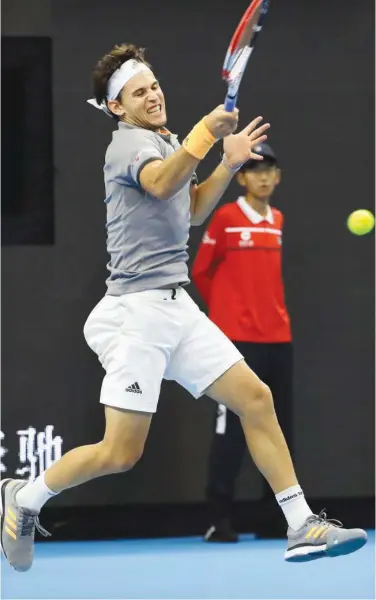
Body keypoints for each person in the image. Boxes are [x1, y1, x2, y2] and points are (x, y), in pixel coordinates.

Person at [0, 43, 367, 573]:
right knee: (120, 453)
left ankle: (300, 523)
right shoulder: (126, 146)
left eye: (154, 84)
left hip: (177, 307)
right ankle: (25, 497)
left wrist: (228, 162)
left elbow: (190, 209)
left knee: (255, 399)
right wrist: (204, 135)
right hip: (136, 314)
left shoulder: (166, 141)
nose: (153, 94)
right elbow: (161, 181)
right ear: (116, 108)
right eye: (138, 91)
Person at [192, 143, 293, 542]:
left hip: (279, 339)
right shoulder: (226, 218)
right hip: (236, 342)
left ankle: (275, 518)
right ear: (242, 177)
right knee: (230, 431)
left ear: (278, 176)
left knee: (279, 428)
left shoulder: (278, 219)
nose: (264, 176)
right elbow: (202, 272)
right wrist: (228, 317)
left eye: (270, 168)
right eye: (255, 170)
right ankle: (219, 518)